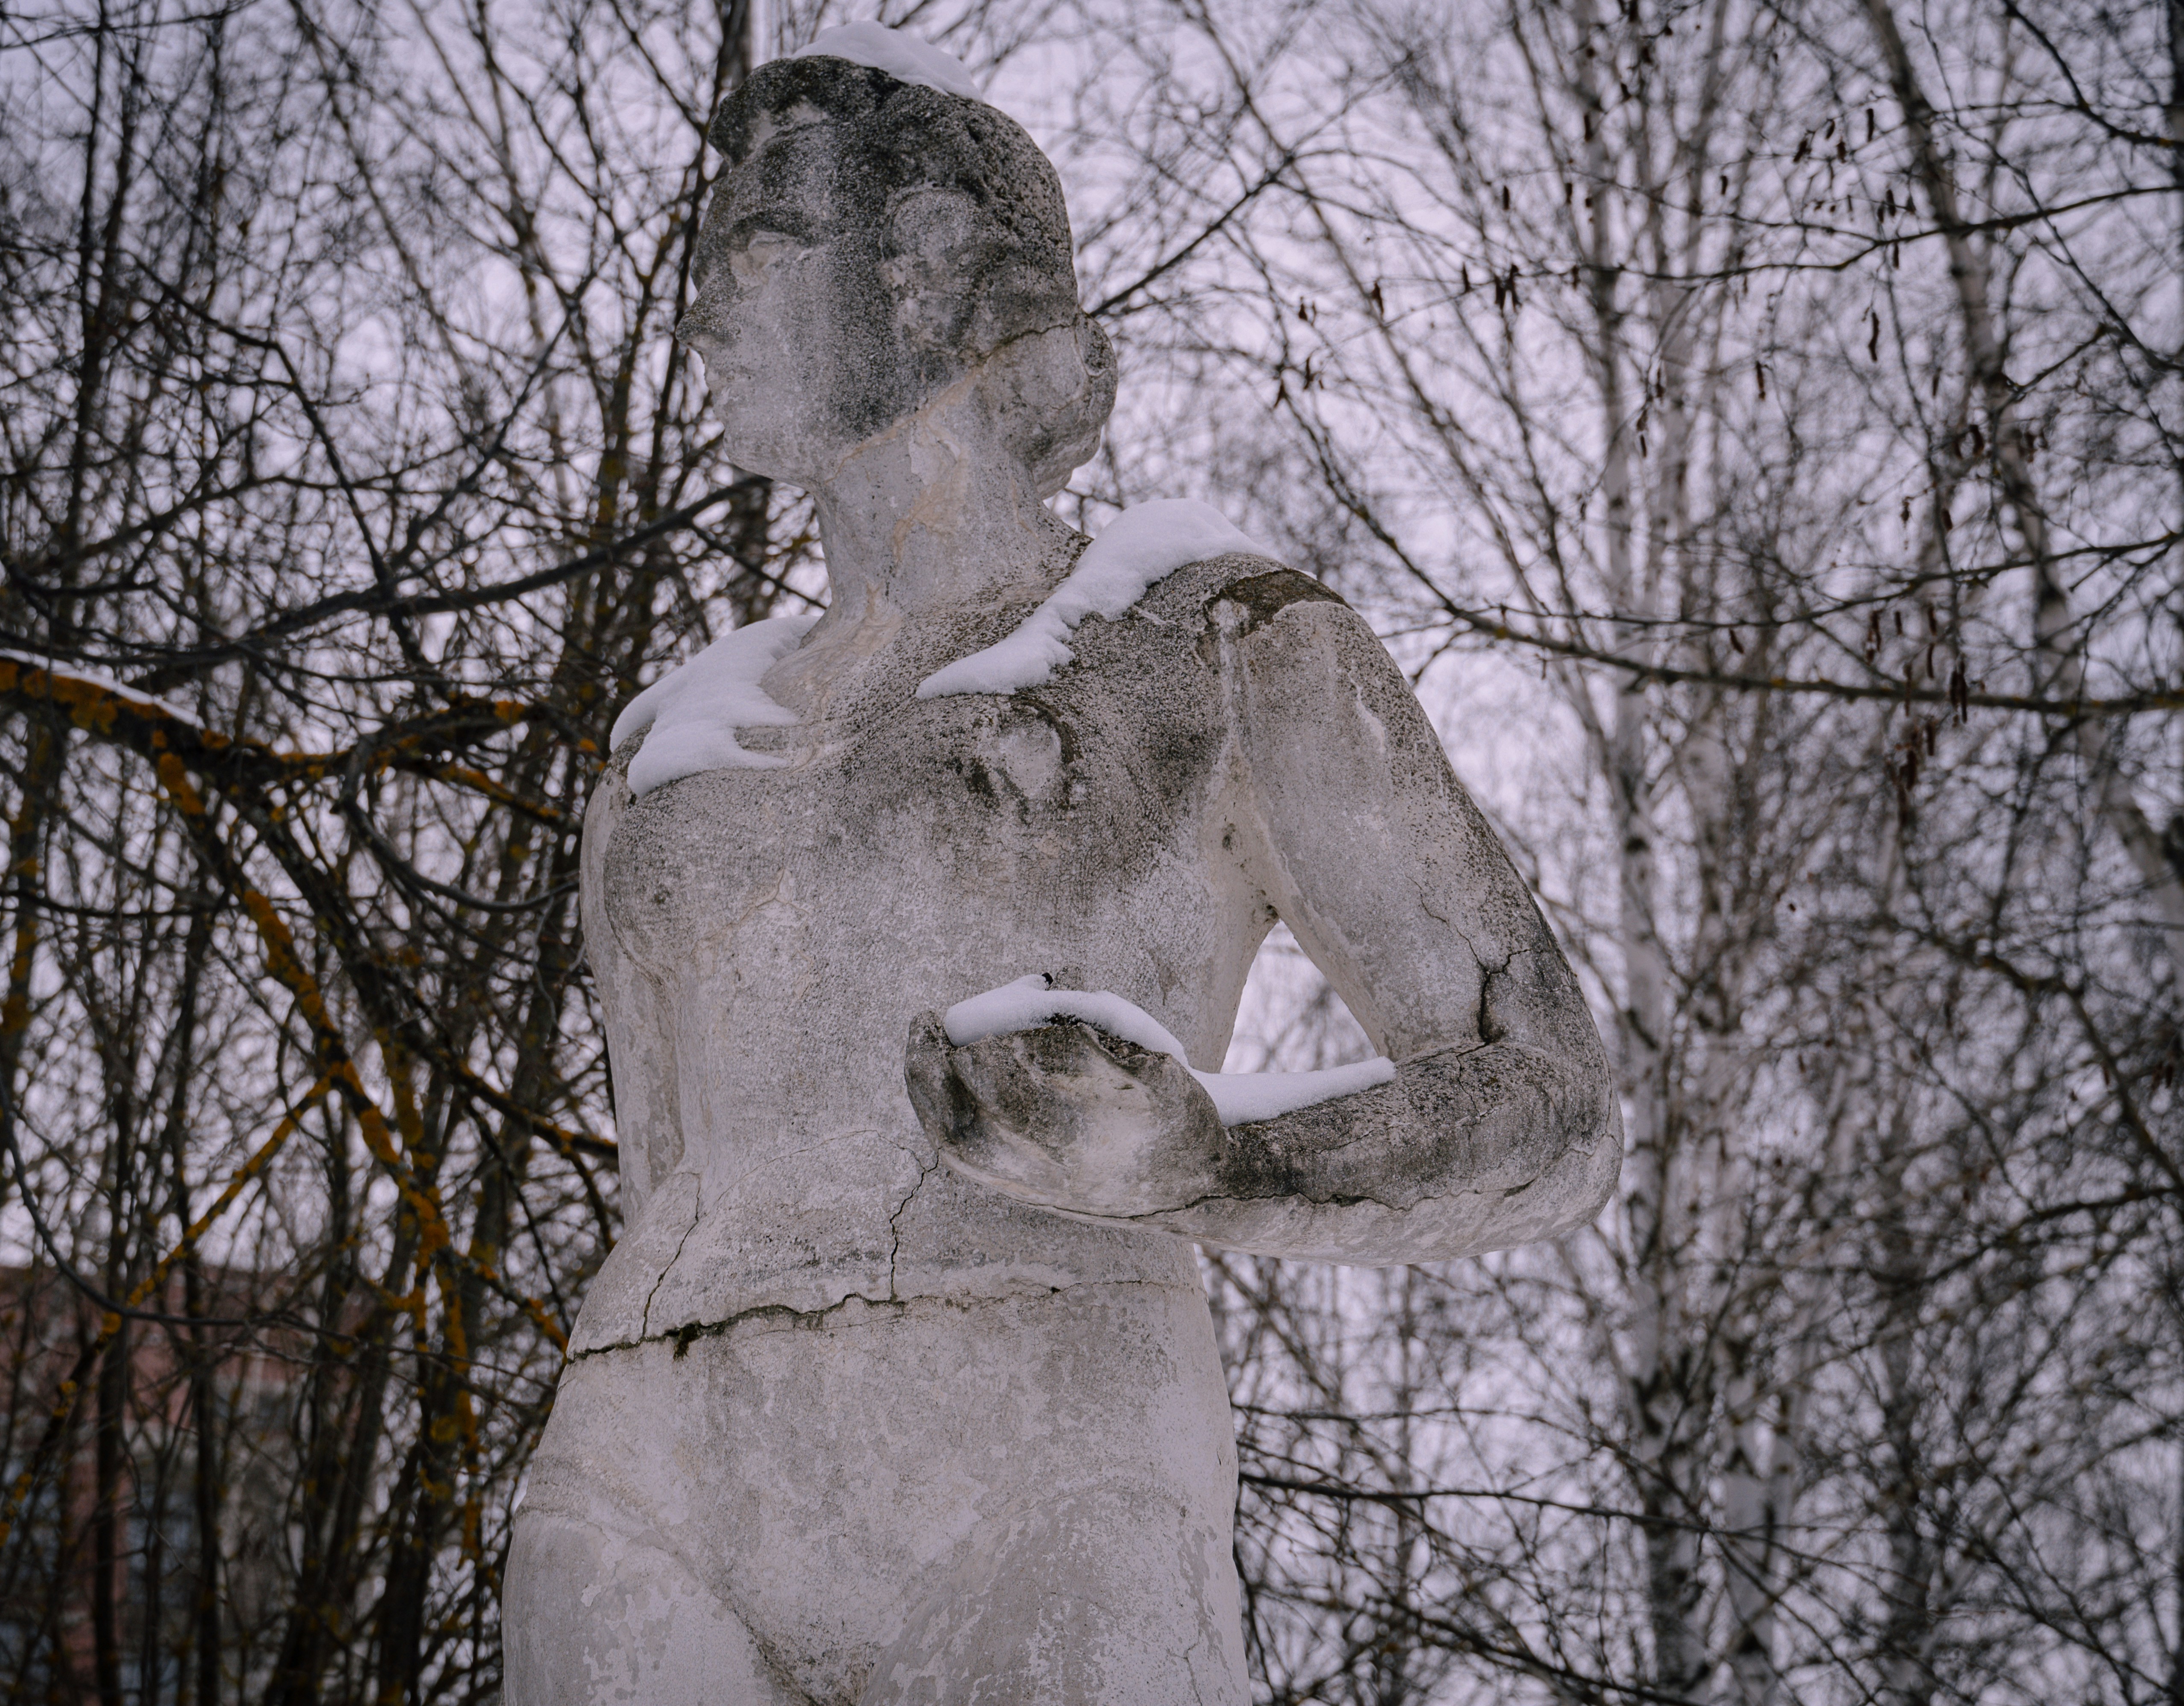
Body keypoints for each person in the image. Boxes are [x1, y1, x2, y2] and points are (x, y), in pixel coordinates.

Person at [502, 31, 1618, 1704]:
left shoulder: (1218, 642)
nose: (704, 312)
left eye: (764, 252)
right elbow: (664, 1155)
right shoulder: (667, 746)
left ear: (937, 277)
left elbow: (1554, 1102)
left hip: (1046, 1423)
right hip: (657, 1445)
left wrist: (1202, 1161)